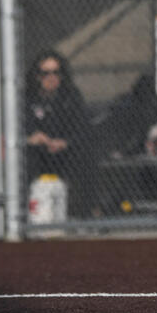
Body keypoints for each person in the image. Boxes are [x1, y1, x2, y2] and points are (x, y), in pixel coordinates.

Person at [24, 50, 97, 217]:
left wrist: (65, 143)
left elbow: (82, 129)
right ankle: (27, 212)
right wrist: (32, 138)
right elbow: (21, 128)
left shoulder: (70, 97)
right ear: (37, 76)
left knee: (86, 154)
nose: (51, 77)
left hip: (63, 152)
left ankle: (85, 213)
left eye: (56, 73)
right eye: (45, 73)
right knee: (26, 157)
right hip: (37, 152)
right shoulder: (28, 99)